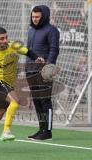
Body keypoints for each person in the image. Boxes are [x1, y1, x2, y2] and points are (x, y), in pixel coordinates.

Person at [25, 5, 60, 140]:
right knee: (37, 100)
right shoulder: (31, 30)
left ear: (44, 16)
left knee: (45, 100)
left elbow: (54, 49)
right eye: (33, 16)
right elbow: (28, 50)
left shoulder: (52, 30)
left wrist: (49, 67)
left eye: (37, 17)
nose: (34, 19)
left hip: (44, 72)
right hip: (31, 70)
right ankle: (41, 129)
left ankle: (48, 131)